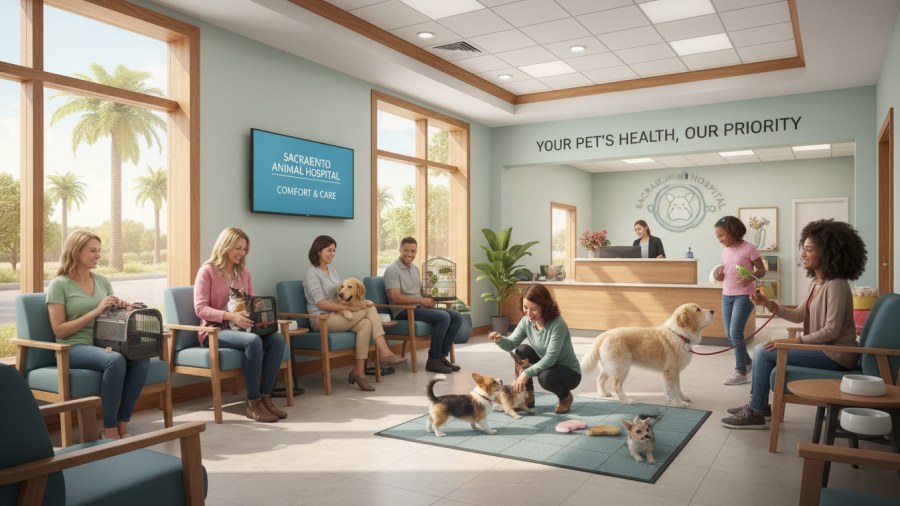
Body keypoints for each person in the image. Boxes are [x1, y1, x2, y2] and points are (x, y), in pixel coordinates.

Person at [721, 219, 865, 429]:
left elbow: (831, 331)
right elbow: (799, 315)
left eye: (809, 250)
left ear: (828, 252)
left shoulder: (837, 285)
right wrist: (769, 305)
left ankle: (756, 410)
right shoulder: (816, 283)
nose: (802, 254)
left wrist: (794, 341)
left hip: (837, 354)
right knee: (764, 348)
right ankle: (759, 405)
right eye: (803, 249)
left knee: (763, 350)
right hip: (824, 349)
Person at [47, 230, 149, 440]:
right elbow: (59, 330)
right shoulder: (59, 284)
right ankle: (109, 428)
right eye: (92, 251)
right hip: (72, 347)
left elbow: (108, 317)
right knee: (115, 360)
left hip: (103, 343)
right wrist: (96, 310)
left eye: (99, 251)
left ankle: (123, 425)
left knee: (141, 357)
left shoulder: (102, 281)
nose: (98, 256)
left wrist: (122, 308)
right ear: (76, 252)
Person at [194, 227, 289, 423]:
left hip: (242, 328)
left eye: (244, 249)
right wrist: (230, 316)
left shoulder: (244, 272)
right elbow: (200, 309)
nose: (241, 253)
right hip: (214, 330)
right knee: (253, 341)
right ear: (225, 246)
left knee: (278, 339)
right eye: (237, 248)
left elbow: (251, 301)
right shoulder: (207, 271)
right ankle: (253, 403)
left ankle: (266, 398)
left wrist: (258, 305)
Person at [304, 235, 407, 391]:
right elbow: (321, 303)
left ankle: (359, 372)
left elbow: (341, 298)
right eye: (329, 250)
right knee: (370, 307)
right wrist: (352, 308)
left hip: (339, 315)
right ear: (318, 251)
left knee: (366, 323)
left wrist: (351, 305)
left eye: (334, 250)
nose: (332, 254)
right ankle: (384, 352)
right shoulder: (311, 273)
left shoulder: (332, 272)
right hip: (321, 319)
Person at [488, 283, 581, 414]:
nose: (528, 313)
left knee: (545, 377)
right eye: (525, 307)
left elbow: (550, 359)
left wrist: (525, 374)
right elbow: (511, 344)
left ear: (545, 306)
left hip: (569, 373)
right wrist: (500, 340)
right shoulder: (527, 321)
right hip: (549, 366)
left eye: (533, 309)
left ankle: (565, 396)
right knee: (522, 350)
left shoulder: (557, 324)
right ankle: (528, 397)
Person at [384, 237, 462, 374]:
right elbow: (395, 297)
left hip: (418, 307)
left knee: (457, 316)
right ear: (400, 250)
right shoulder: (392, 270)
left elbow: (419, 293)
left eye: (413, 251)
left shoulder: (414, 268)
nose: (410, 254)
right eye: (406, 250)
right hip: (403, 311)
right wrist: (420, 301)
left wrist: (429, 298)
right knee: (443, 317)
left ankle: (442, 357)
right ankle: (433, 360)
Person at [712, 216, 766, 386]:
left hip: (744, 295)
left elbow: (762, 270)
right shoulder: (725, 251)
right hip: (727, 294)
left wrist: (751, 277)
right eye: (717, 237)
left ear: (733, 232)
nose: (720, 239)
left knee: (736, 333)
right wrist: (718, 275)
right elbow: (725, 272)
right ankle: (748, 363)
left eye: (722, 235)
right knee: (730, 333)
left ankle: (741, 371)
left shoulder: (749, 248)